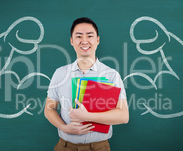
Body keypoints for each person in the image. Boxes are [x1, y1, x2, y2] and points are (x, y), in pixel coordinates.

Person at [44, 17, 129, 151]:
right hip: (65, 146)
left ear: (97, 40)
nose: (84, 41)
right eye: (78, 36)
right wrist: (64, 127)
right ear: (72, 41)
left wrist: (87, 116)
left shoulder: (111, 75)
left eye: (89, 36)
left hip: (99, 147)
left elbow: (124, 116)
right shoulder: (60, 73)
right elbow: (49, 108)